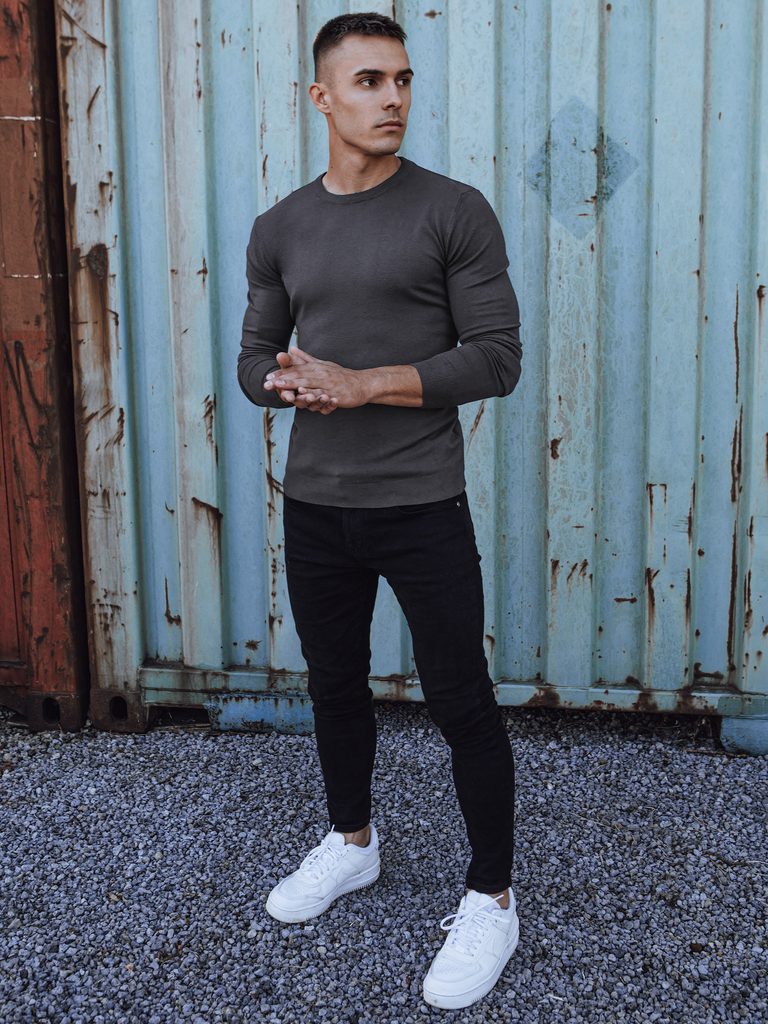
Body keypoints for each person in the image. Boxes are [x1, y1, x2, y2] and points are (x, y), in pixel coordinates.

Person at [237, 11, 522, 1011]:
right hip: (318, 505)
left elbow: (496, 358)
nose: (392, 96)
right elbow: (253, 359)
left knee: (460, 698)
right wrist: (287, 384)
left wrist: (362, 383)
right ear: (322, 97)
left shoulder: (453, 210)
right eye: (368, 81)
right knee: (334, 683)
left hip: (421, 502)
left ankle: (492, 897)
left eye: (401, 79)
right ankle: (351, 840)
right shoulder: (280, 226)